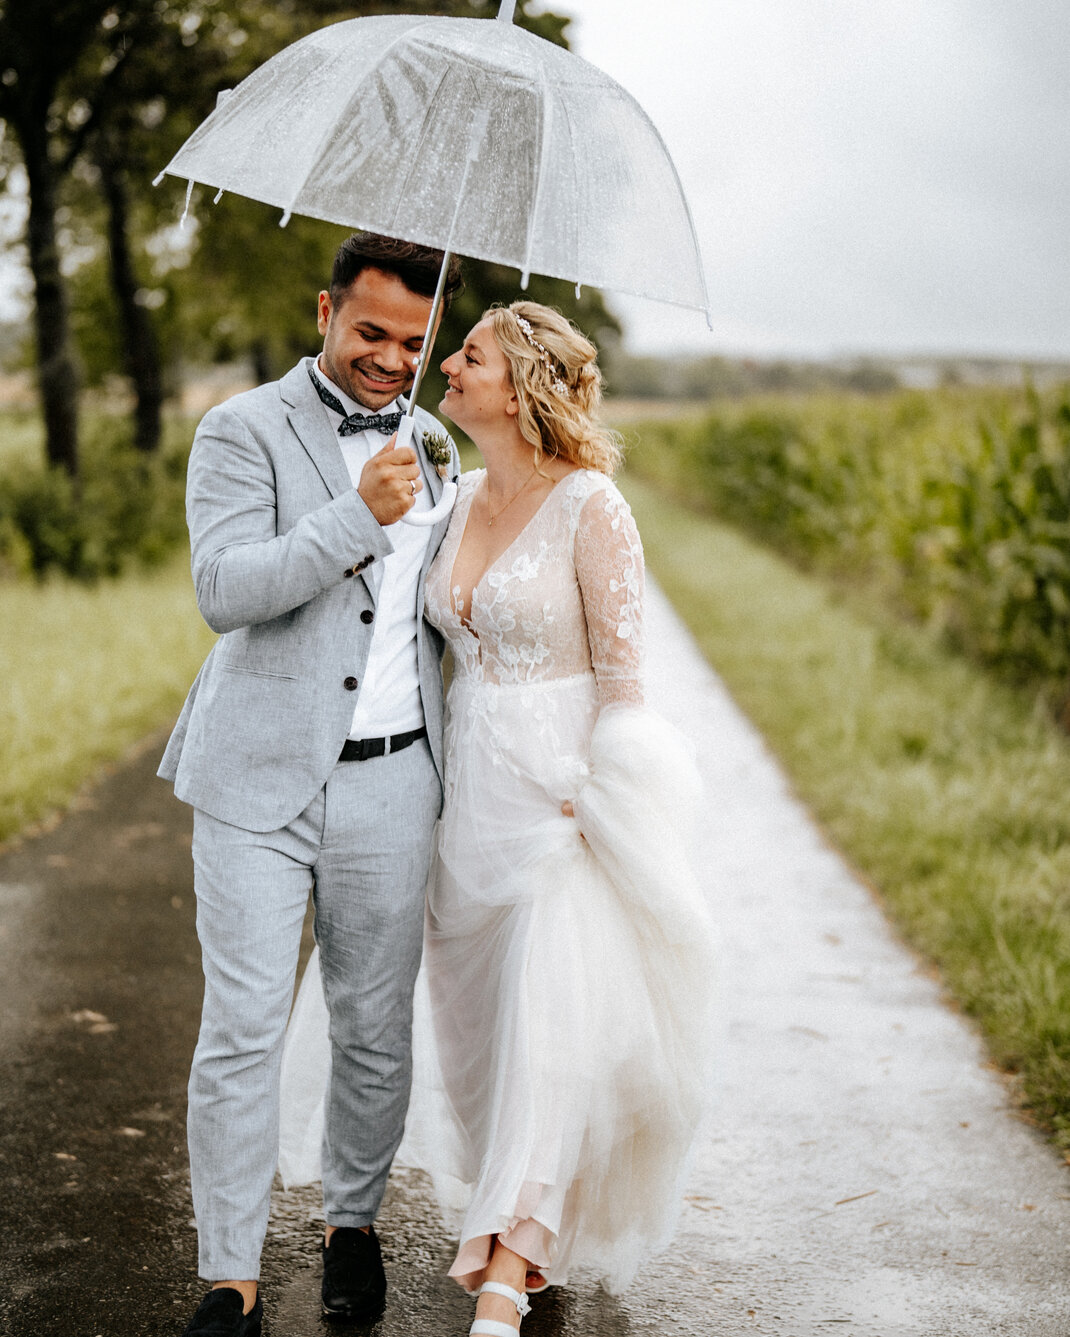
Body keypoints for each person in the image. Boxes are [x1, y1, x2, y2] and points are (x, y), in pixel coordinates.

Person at [280, 300, 717, 1336]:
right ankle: (524, 1220)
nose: (443, 365)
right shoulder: (457, 491)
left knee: (551, 1028)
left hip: (558, 805)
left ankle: (502, 1274)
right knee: (477, 1039)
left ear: (518, 386)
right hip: (462, 802)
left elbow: (625, 683)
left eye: (465, 355)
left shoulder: (591, 504)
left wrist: (604, 800)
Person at [158, 231, 463, 1337]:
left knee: (373, 1026)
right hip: (253, 782)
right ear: (325, 308)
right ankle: (229, 1276)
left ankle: (352, 1225)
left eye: (412, 343)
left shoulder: (435, 442)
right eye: (370, 331)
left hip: (393, 782)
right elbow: (226, 588)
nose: (389, 358)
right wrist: (355, 515)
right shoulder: (240, 428)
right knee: (241, 1027)